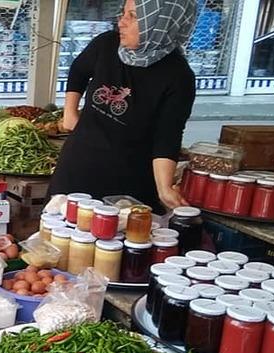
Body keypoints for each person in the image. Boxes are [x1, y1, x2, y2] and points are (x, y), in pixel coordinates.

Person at [49, 0, 198, 212]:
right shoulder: (107, 45)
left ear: (160, 23)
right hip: (77, 168)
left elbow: (167, 137)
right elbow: (79, 70)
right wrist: (70, 112)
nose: (121, 22)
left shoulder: (178, 76)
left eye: (134, 16)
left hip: (128, 182)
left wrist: (164, 188)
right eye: (123, 14)